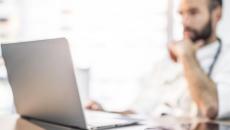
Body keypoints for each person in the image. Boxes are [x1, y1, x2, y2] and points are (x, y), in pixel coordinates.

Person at [86, 0, 230, 119]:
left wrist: (187, 56)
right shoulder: (165, 64)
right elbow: (138, 111)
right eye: (181, 13)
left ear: (217, 14)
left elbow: (211, 109)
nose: (185, 21)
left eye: (193, 12)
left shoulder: (225, 58)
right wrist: (105, 114)